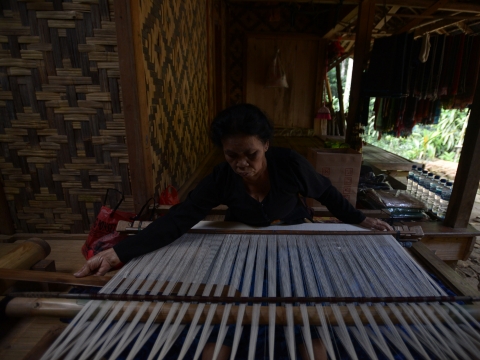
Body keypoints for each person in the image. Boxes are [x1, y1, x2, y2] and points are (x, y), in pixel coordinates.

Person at [74, 103, 393, 359]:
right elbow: (179, 219)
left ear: (266, 145)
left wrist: (361, 220)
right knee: (232, 303)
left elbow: (328, 194)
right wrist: (118, 252)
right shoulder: (220, 179)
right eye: (232, 155)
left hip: (295, 233)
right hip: (243, 237)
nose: (241, 163)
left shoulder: (291, 164)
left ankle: (311, 340)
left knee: (305, 299)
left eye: (250, 154)